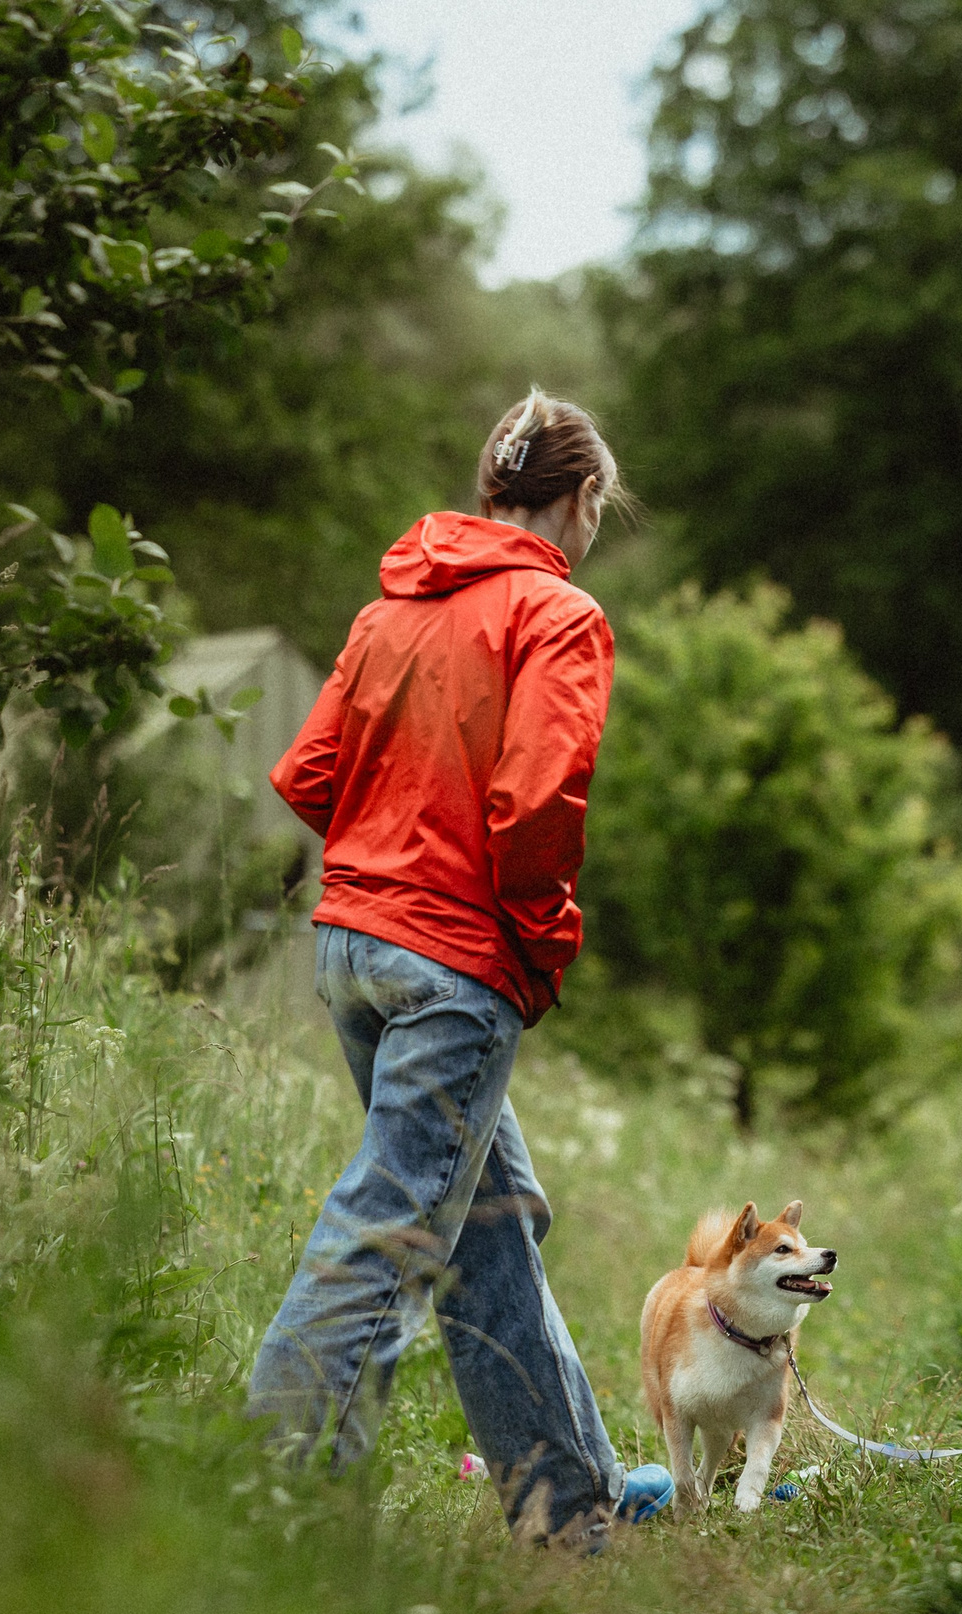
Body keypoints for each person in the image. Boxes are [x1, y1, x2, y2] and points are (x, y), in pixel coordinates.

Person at [248, 387, 672, 1545]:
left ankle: (565, 1506)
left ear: (493, 486)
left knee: (488, 1218)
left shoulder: (392, 609)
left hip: (350, 948)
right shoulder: (557, 614)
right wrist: (537, 948)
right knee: (389, 1227)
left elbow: (308, 775)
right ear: (579, 501)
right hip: (451, 960)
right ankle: (268, 1503)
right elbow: (536, 806)